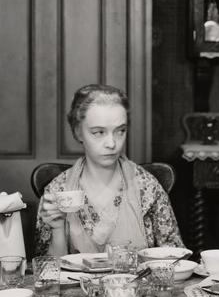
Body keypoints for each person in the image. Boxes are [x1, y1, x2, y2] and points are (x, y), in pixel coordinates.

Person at [35, 84, 184, 256]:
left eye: (120, 131)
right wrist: (57, 229)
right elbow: (47, 269)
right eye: (99, 132)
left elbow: (175, 258)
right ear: (78, 132)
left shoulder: (147, 186)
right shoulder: (57, 190)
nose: (112, 143)